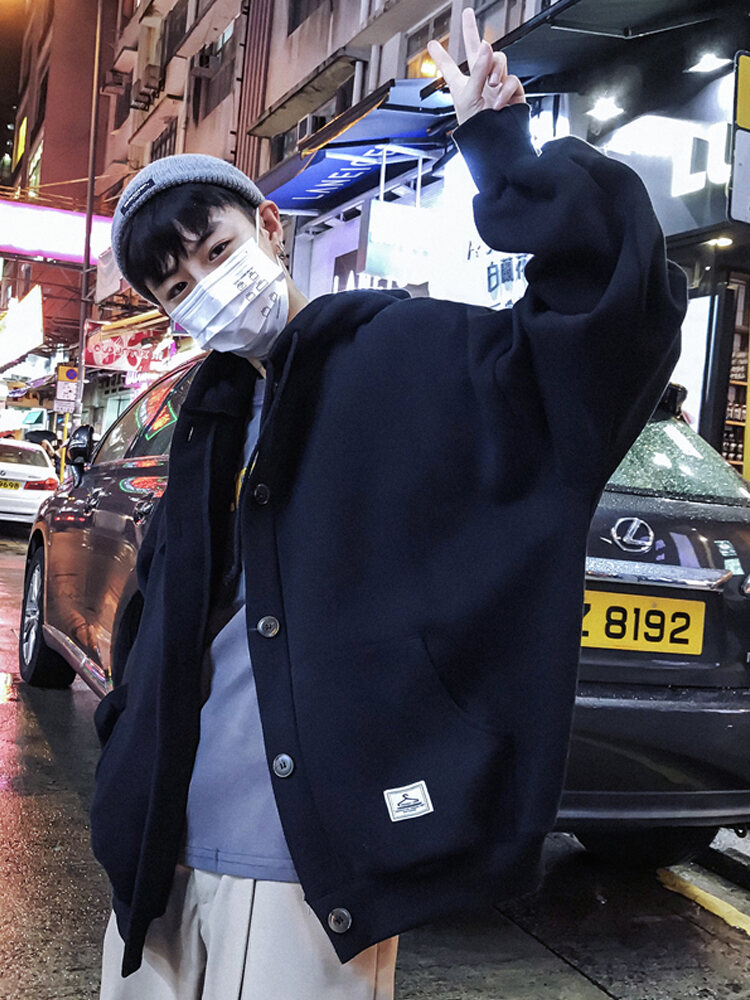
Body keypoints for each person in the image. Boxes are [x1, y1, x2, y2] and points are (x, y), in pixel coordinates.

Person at [92, 10, 687, 999]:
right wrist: (124, 751)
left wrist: (504, 154)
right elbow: (157, 622)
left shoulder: (408, 354)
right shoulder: (207, 422)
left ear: (269, 226)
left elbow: (603, 331)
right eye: (175, 285)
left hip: (306, 874)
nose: (204, 288)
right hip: (156, 860)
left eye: (214, 250)